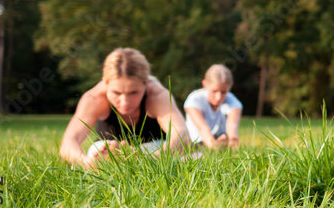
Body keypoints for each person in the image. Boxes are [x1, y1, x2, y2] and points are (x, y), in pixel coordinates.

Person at [59, 48, 189, 169]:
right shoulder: (94, 98)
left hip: (153, 149)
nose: (125, 101)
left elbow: (181, 134)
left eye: (134, 93)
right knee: (97, 150)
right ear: (105, 82)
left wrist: (147, 159)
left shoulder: (157, 95)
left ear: (146, 84)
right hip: (106, 149)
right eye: (116, 93)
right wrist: (87, 163)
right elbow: (69, 142)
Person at [184, 64, 243, 149]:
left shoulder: (232, 101)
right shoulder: (194, 99)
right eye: (214, 91)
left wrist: (231, 141)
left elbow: (232, 127)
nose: (218, 97)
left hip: (219, 138)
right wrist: (214, 146)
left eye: (223, 92)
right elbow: (203, 128)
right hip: (195, 143)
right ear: (205, 84)